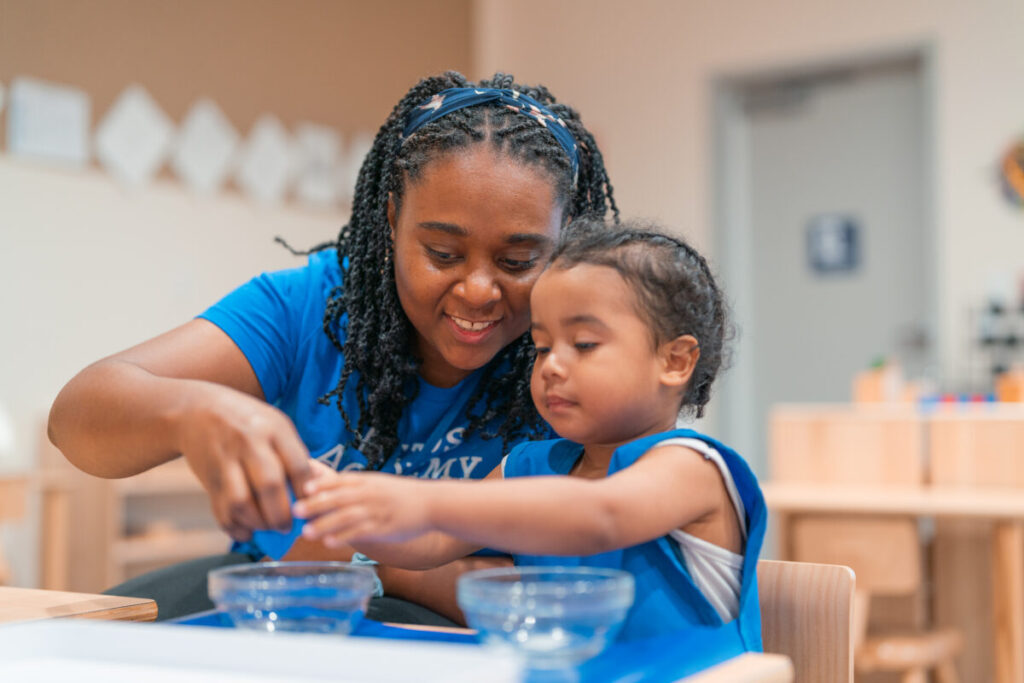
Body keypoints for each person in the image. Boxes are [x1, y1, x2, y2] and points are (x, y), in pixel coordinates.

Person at [46, 71, 617, 622]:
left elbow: (545, 585)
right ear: (392, 220)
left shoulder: (580, 357)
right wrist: (190, 412)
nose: (477, 290)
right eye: (443, 254)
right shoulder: (309, 308)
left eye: (518, 262)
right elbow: (77, 416)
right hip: (281, 593)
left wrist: (384, 570)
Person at [294, 219, 767, 648]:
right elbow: (432, 542)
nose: (552, 367)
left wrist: (423, 501)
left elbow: (600, 517)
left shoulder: (690, 466)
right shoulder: (528, 464)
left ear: (675, 361)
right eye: (541, 347)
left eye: (583, 345)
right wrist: (329, 500)